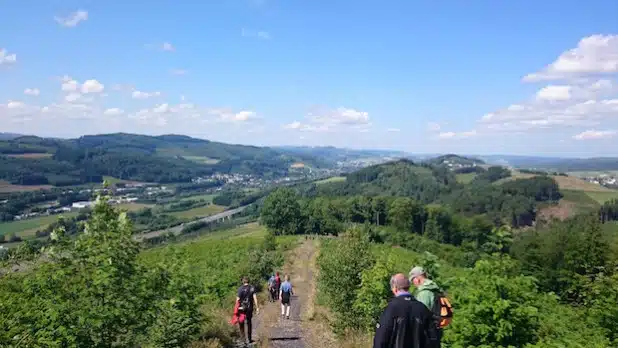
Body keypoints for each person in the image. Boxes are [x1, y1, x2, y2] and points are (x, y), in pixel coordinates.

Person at [373, 273, 439, 348]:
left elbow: (381, 338)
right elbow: (433, 338)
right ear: (408, 287)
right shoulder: (422, 308)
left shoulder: (391, 308)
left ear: (394, 288)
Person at [409, 266, 447, 344]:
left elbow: (420, 316)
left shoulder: (424, 293)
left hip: (427, 334)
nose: (413, 283)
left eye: (413, 280)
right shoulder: (435, 289)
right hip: (436, 331)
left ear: (417, 279)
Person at [236, 276, 260, 345]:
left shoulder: (240, 289)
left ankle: (243, 339)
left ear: (243, 281)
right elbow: (255, 298)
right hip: (249, 308)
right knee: (249, 322)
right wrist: (257, 307)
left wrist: (236, 309)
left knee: (241, 323)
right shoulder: (252, 288)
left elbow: (237, 299)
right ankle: (249, 339)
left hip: (241, 308)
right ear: (248, 281)